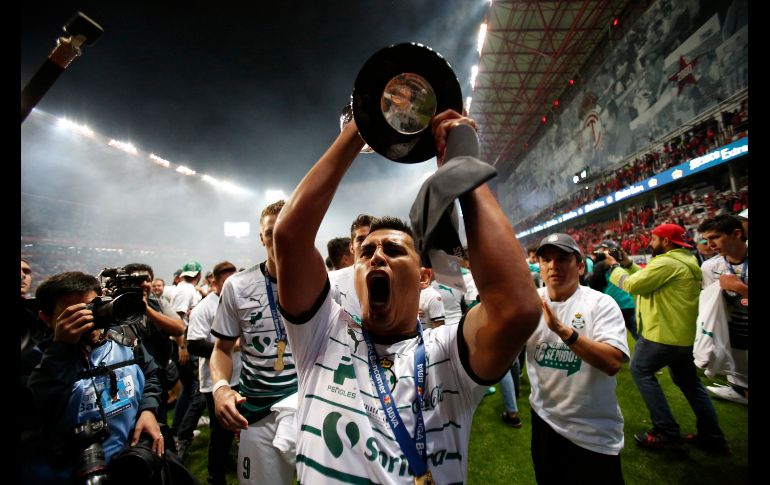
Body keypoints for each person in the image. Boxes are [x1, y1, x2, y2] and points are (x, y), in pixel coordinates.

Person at [272, 109, 541, 483]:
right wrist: (359, 129)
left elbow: (519, 308)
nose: (377, 255)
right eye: (366, 253)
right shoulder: (322, 334)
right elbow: (289, 237)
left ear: (424, 277)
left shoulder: (446, 352)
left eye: (394, 251)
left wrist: (465, 170)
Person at [24, 271, 163, 482]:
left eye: (91, 308)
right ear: (46, 317)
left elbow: (150, 375)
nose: (87, 319)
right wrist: (61, 350)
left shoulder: (125, 342)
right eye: (73, 314)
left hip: (129, 460)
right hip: (65, 471)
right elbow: (34, 414)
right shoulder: (35, 360)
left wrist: (148, 409)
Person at [606, 223, 728, 452]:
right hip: (683, 335)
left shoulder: (666, 262)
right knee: (690, 384)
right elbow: (647, 277)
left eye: (653, 239)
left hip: (661, 334)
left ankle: (666, 431)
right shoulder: (687, 260)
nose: (650, 243)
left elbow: (633, 285)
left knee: (640, 370)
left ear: (666, 241)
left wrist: (614, 268)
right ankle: (712, 436)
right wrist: (628, 264)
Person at [527, 233, 629, 484]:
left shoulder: (601, 303)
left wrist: (564, 331)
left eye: (562, 258)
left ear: (580, 266)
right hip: (544, 420)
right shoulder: (529, 303)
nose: (553, 266)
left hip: (592, 430)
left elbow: (612, 363)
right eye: (546, 259)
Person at [210, 200, 298, 485]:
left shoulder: (323, 282)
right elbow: (221, 349)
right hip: (258, 411)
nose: (279, 238)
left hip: (311, 404)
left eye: (286, 228)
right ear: (262, 238)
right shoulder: (237, 286)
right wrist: (221, 388)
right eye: (271, 232)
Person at [186, 260, 240, 485]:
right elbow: (194, 345)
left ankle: (226, 463)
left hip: (238, 375)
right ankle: (214, 476)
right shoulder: (204, 308)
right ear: (215, 283)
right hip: (214, 381)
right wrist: (231, 345)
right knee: (219, 432)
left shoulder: (238, 302)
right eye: (225, 282)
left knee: (232, 428)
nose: (230, 286)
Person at [698, 215, 748, 404]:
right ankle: (739, 390)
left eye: (715, 237)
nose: (709, 244)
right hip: (733, 328)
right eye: (706, 239)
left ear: (736, 234)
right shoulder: (710, 266)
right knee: (739, 369)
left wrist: (740, 288)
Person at [329, 213, 374, 323]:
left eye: (371, 238)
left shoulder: (393, 282)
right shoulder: (332, 283)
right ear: (351, 247)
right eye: (360, 239)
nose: (366, 243)